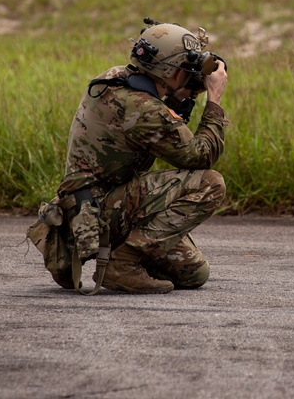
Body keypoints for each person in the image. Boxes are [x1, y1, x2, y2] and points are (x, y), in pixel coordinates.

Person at [28, 19, 229, 294]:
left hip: (94, 202)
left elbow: (155, 114)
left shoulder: (116, 78)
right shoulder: (144, 110)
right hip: (101, 210)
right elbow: (200, 156)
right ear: (169, 70)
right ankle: (122, 264)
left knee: (194, 273)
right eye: (186, 68)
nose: (191, 73)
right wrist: (214, 99)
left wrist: (182, 92)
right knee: (211, 183)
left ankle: (126, 255)